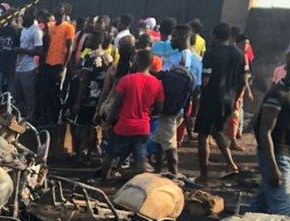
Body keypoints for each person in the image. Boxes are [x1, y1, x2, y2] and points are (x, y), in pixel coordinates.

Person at [195, 22, 249, 182]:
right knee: (216, 131)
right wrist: (235, 100)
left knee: (203, 136)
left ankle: (203, 175)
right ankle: (231, 165)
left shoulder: (211, 55)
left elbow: (205, 80)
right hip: (228, 100)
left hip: (211, 99)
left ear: (215, 36)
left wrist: (198, 94)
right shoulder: (239, 54)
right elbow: (244, 79)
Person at [100, 49, 164, 181]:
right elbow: (159, 107)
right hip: (143, 127)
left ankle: (103, 180)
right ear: (151, 63)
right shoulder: (157, 83)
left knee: (110, 154)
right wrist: (147, 115)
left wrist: (110, 122)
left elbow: (116, 104)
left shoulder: (127, 80)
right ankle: (132, 181)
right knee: (141, 159)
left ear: (136, 62)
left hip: (123, 126)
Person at [154, 23, 201, 176]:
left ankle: (174, 174)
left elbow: (179, 83)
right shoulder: (193, 58)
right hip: (176, 106)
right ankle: (158, 170)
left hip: (171, 106)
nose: (171, 40)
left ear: (182, 37)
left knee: (169, 142)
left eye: (174, 37)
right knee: (161, 139)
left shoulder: (184, 58)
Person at [250, 51, 290, 215]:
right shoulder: (277, 95)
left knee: (262, 203)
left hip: (283, 154)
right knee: (282, 209)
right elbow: (264, 131)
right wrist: (273, 167)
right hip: (278, 155)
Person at [69, 31, 110, 162]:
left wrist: (77, 101)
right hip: (100, 99)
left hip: (87, 98)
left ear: (96, 41)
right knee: (94, 128)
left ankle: (79, 155)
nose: (87, 42)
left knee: (81, 127)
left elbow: (84, 80)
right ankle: (89, 155)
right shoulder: (108, 58)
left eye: (90, 40)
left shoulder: (90, 58)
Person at [43, 4, 75, 125]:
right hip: (48, 62)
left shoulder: (69, 27)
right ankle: (46, 117)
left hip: (59, 64)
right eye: (55, 14)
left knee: (57, 93)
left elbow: (70, 47)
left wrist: (64, 66)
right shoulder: (51, 27)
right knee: (47, 91)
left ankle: (55, 118)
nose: (57, 16)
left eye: (59, 14)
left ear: (65, 14)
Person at [13, 9, 43, 120]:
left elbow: (39, 51)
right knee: (17, 95)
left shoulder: (36, 31)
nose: (22, 17)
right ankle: (19, 116)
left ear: (31, 15)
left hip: (29, 68)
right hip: (19, 67)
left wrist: (23, 50)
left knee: (29, 95)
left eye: (24, 15)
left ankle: (31, 117)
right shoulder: (24, 30)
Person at [0, 16, 19, 98]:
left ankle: (8, 106)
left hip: (10, 63)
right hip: (2, 62)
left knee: (7, 87)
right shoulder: (1, 30)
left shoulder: (18, 31)